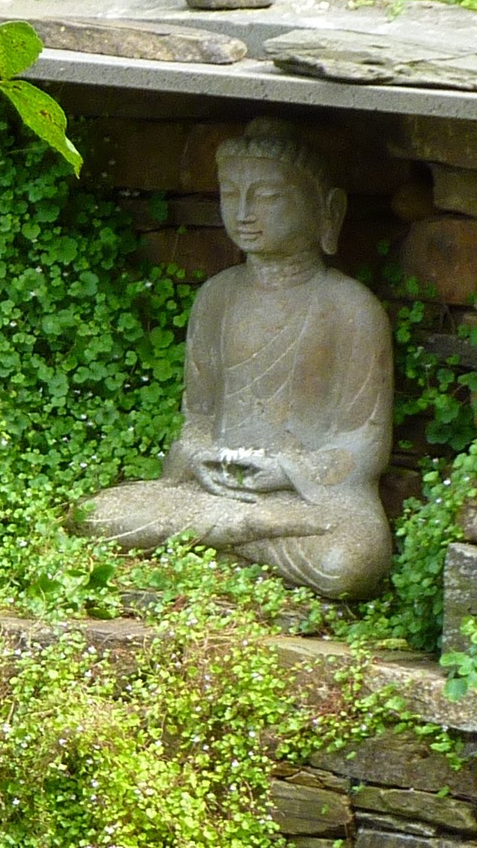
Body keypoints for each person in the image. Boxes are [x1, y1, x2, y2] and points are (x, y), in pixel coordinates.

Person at [75, 118, 393, 599]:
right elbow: (199, 418)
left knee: (348, 562)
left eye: (267, 197)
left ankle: (225, 536)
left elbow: (365, 441)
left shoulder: (351, 308)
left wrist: (286, 472)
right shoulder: (216, 297)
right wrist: (200, 458)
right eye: (230, 194)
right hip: (217, 493)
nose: (244, 213)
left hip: (304, 500)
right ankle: (243, 528)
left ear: (327, 209)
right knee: (93, 514)